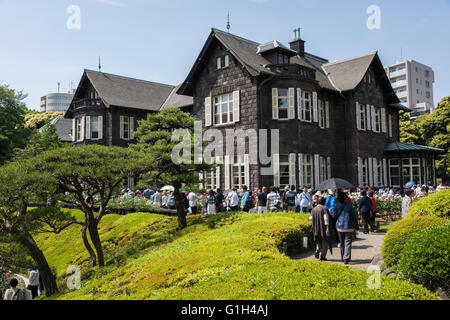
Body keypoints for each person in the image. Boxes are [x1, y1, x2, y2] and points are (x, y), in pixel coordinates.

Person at [330, 192, 359, 265]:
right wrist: (357, 227)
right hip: (349, 226)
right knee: (348, 242)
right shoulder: (349, 206)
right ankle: (346, 257)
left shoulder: (337, 206)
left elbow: (333, 216)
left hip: (339, 227)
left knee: (341, 242)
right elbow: (354, 217)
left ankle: (342, 257)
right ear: (346, 199)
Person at [311, 197, 330, 261]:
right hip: (322, 228)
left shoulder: (313, 209)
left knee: (318, 240)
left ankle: (317, 249)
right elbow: (326, 219)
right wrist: (327, 228)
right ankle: (323, 256)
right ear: (324, 202)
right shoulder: (324, 208)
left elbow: (310, 218)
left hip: (315, 227)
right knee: (324, 242)